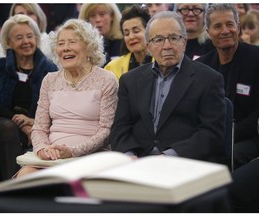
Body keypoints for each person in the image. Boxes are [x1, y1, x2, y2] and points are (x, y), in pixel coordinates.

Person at [110, 11, 226, 162]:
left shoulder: (208, 79)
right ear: (149, 46)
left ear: (184, 42)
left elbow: (212, 134)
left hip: (184, 163)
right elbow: (120, 128)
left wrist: (169, 156)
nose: (167, 46)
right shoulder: (129, 80)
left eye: (173, 38)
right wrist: (129, 155)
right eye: (158, 39)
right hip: (136, 162)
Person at [15, 19, 118, 177]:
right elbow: (39, 128)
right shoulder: (49, 80)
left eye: (72, 42)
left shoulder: (107, 80)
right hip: (52, 157)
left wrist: (72, 151)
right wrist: (42, 149)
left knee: (66, 181)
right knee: (25, 176)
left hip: (91, 156)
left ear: (89, 47)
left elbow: (106, 131)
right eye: (61, 43)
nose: (65, 48)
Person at [0, 14, 58, 183]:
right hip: (2, 120)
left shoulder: (49, 68)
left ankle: (7, 188)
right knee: (7, 127)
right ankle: (15, 185)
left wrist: (32, 121)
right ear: (8, 42)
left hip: (36, 122)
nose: (26, 41)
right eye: (19, 38)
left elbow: (54, 104)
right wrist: (19, 121)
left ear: (36, 38)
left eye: (29, 36)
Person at [196, 4, 259, 170]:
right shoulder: (201, 66)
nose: (225, 31)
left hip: (250, 138)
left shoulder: (256, 58)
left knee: (228, 157)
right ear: (208, 32)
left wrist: (227, 137)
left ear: (238, 28)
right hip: (211, 137)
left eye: (230, 24)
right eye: (217, 26)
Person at [104, 5, 153, 80]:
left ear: (149, 31)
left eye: (136, 31)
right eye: (126, 33)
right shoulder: (112, 67)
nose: (131, 36)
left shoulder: (161, 62)